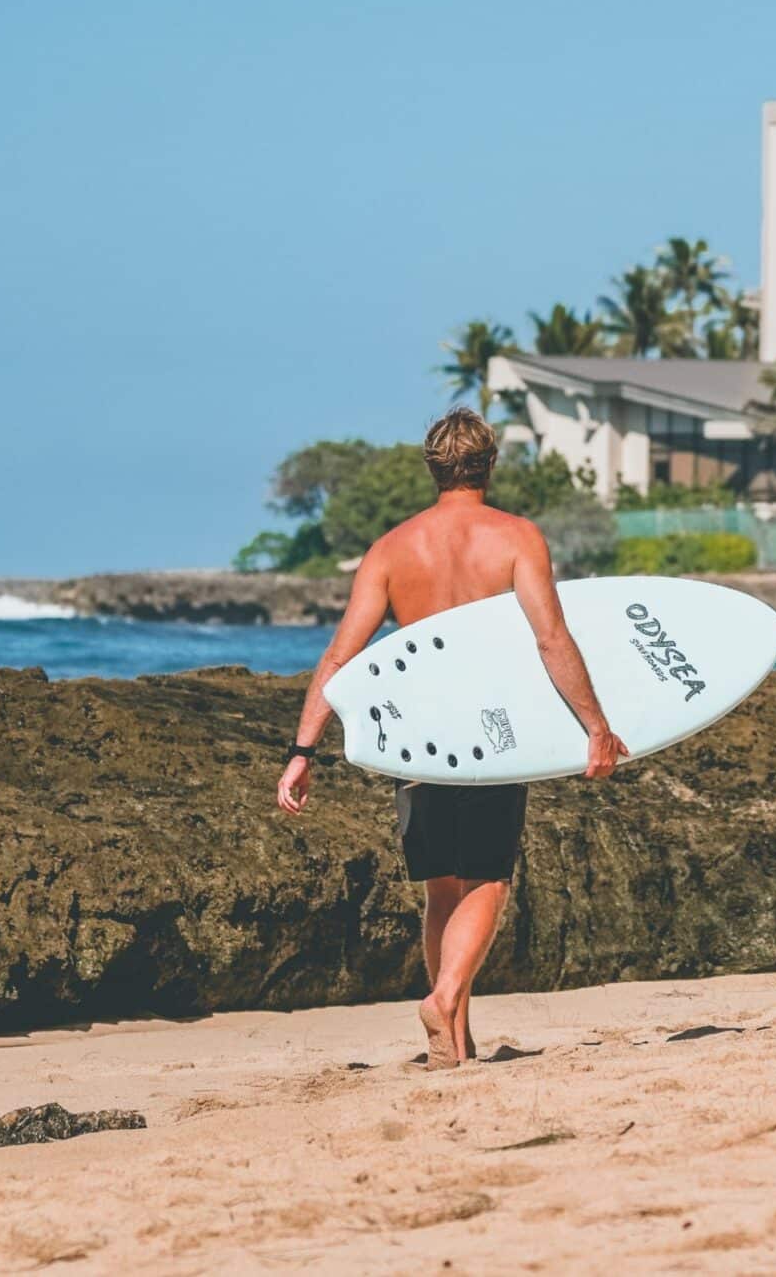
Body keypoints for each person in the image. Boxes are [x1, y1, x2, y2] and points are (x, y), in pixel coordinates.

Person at [275, 407, 627, 1069]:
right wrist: (595, 725)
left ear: (431, 468)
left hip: (417, 736)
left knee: (441, 886)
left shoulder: (390, 549)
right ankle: (443, 1000)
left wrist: (302, 753)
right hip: (493, 734)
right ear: (489, 464)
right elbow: (552, 639)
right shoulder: (517, 538)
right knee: (488, 877)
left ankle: (453, 1046)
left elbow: (339, 660)